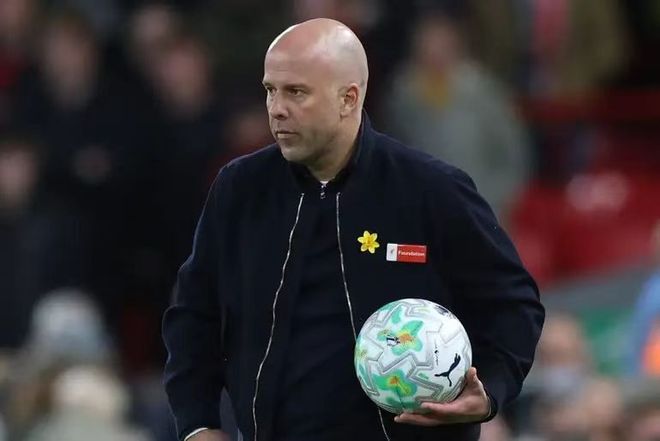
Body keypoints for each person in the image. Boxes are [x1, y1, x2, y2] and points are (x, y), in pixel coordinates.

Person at [162, 18, 544, 441]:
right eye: (271, 90)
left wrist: (490, 390)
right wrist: (198, 424)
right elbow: (193, 313)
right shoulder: (240, 189)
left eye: (296, 92)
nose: (276, 108)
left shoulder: (431, 189)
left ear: (349, 98)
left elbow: (513, 303)